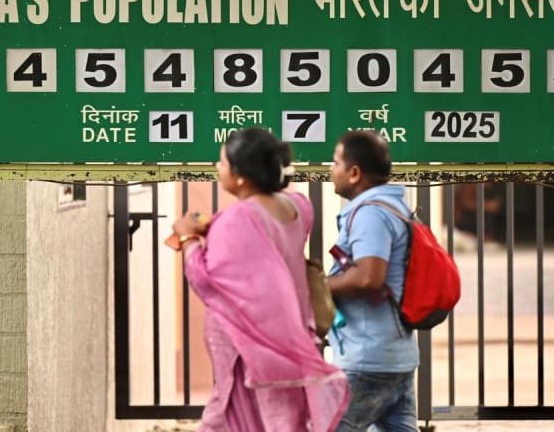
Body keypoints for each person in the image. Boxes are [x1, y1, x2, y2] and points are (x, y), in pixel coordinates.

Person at [172, 127, 350, 432]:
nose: (217, 168)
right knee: (284, 417)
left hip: (251, 344)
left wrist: (187, 237)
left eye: (223, 163)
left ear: (241, 175)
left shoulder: (238, 219)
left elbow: (206, 279)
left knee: (246, 415)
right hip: (288, 333)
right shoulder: (297, 206)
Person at [326, 130, 419, 432]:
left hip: (368, 358)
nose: (330, 169)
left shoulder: (370, 214)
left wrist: (317, 287)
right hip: (394, 356)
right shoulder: (393, 207)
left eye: (335, 162)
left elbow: (369, 276)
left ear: (354, 173)